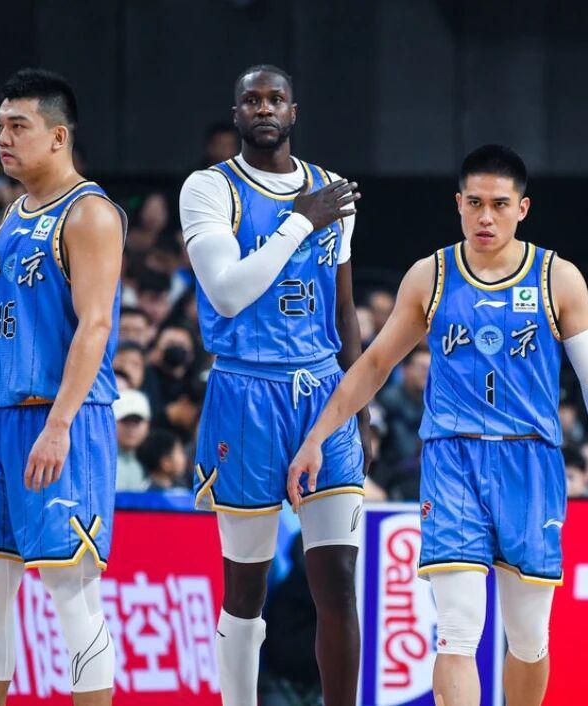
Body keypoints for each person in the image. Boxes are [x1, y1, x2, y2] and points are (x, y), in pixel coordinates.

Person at [288, 144, 588, 706]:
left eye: (499, 204)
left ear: (522, 208)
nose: (485, 216)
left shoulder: (559, 278)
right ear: (458, 204)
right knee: (457, 630)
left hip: (530, 460)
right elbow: (374, 364)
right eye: (475, 203)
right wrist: (316, 437)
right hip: (452, 459)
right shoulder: (431, 275)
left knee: (528, 637)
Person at [177, 64, 372, 706]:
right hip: (246, 390)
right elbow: (228, 294)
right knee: (246, 589)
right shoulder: (209, 188)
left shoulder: (330, 190)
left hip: (324, 390)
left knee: (337, 580)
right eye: (252, 100)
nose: (264, 108)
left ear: (294, 111)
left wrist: (359, 408)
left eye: (276, 98)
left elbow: (344, 308)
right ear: (236, 114)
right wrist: (298, 222)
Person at [0, 68, 127, 705]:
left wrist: (59, 424)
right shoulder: (11, 216)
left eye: (18, 126)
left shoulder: (90, 213)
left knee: (72, 593)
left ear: (58, 136)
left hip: (62, 418)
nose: (3, 137)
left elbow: (95, 326)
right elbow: (1, 333)